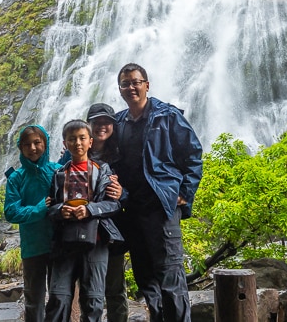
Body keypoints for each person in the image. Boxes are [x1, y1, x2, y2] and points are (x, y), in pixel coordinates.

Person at [112, 63, 203, 322]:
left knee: (170, 274)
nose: (131, 87)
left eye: (136, 82)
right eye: (125, 83)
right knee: (145, 276)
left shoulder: (168, 116)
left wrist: (185, 191)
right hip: (132, 209)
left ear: (147, 85)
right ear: (119, 89)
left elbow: (193, 154)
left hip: (161, 207)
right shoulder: (118, 122)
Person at [45, 120, 123, 322]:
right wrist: (61, 210)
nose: (77, 143)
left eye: (82, 138)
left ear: (90, 141)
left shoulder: (102, 170)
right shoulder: (59, 174)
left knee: (93, 301)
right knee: (58, 298)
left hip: (96, 242)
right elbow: (50, 207)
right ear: (65, 143)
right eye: (72, 139)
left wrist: (89, 209)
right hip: (64, 243)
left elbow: (113, 204)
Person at [4, 125, 62, 322]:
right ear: (21, 148)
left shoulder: (57, 170)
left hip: (59, 244)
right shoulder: (16, 178)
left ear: (45, 144)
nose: (33, 148)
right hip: (33, 246)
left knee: (59, 296)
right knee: (33, 298)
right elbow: (11, 211)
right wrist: (38, 209)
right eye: (27, 144)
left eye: (37, 142)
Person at [86, 103, 129, 322]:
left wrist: (122, 192)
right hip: (84, 229)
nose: (102, 126)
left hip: (112, 231)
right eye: (97, 122)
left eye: (106, 122)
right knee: (87, 290)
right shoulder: (75, 151)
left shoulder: (122, 155)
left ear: (113, 125)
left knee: (115, 288)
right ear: (89, 125)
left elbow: (133, 191)